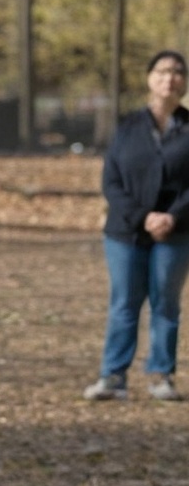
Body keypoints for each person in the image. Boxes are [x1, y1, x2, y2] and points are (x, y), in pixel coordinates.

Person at [84, 49, 189, 402]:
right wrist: (144, 216)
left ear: (184, 82)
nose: (169, 78)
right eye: (162, 71)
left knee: (166, 305)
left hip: (177, 232)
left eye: (177, 72)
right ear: (149, 78)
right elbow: (111, 181)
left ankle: (161, 375)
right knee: (124, 304)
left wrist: (173, 216)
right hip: (125, 232)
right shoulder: (128, 126)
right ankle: (113, 376)